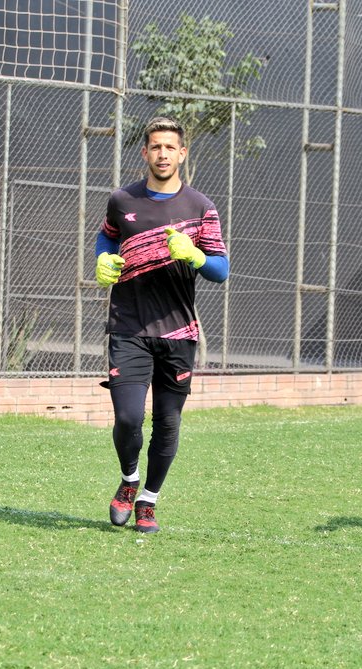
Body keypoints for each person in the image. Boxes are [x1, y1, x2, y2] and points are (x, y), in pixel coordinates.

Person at [94, 117, 229, 533]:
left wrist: (196, 255)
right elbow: (107, 237)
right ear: (145, 153)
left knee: (168, 423)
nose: (163, 154)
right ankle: (130, 481)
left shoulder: (201, 208)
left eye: (171, 147)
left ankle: (149, 501)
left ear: (182, 153)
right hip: (128, 327)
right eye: (156, 147)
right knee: (129, 419)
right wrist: (102, 260)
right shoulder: (122, 199)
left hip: (178, 334)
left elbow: (221, 271)